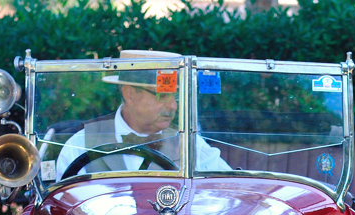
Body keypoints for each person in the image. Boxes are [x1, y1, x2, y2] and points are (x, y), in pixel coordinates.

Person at [56, 50, 229, 179]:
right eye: (162, 95)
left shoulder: (190, 144)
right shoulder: (80, 143)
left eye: (176, 97)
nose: (173, 105)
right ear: (129, 95)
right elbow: (63, 208)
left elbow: (227, 185)